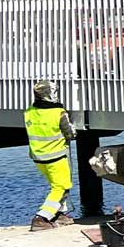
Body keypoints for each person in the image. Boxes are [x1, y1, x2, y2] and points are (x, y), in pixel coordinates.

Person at [24, 79, 75, 231]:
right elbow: (70, 134)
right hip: (56, 156)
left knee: (55, 186)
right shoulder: (58, 113)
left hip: (38, 157)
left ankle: (59, 214)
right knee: (62, 187)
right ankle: (42, 217)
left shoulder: (29, 111)